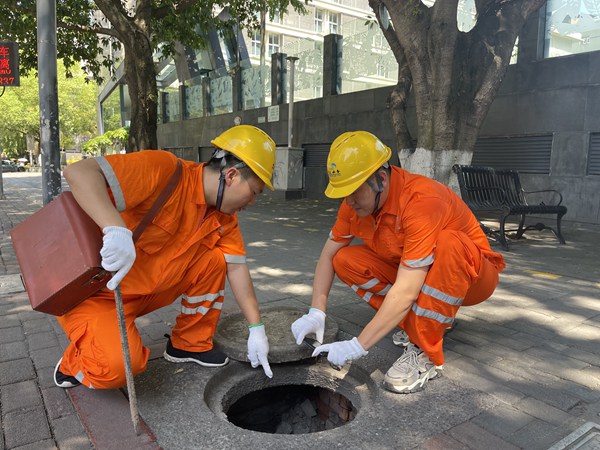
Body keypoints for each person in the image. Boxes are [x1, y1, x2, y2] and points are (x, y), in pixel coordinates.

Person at [54, 125, 275, 389]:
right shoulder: (164, 170)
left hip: (149, 291)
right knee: (119, 368)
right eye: (254, 192)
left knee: (215, 260)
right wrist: (115, 228)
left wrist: (256, 328)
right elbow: (78, 172)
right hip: (102, 294)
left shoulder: (224, 218)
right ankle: (74, 363)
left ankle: (189, 344)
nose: (251, 203)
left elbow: (237, 270)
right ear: (231, 175)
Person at [291, 131, 505, 393]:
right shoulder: (355, 203)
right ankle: (417, 322)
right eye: (343, 193)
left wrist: (359, 345)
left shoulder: (422, 201)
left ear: (381, 179)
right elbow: (327, 255)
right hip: (418, 272)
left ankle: (425, 351)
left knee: (450, 243)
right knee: (344, 259)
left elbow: (406, 289)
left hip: (474, 278)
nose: (348, 201)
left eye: (354, 192)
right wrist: (317, 311)